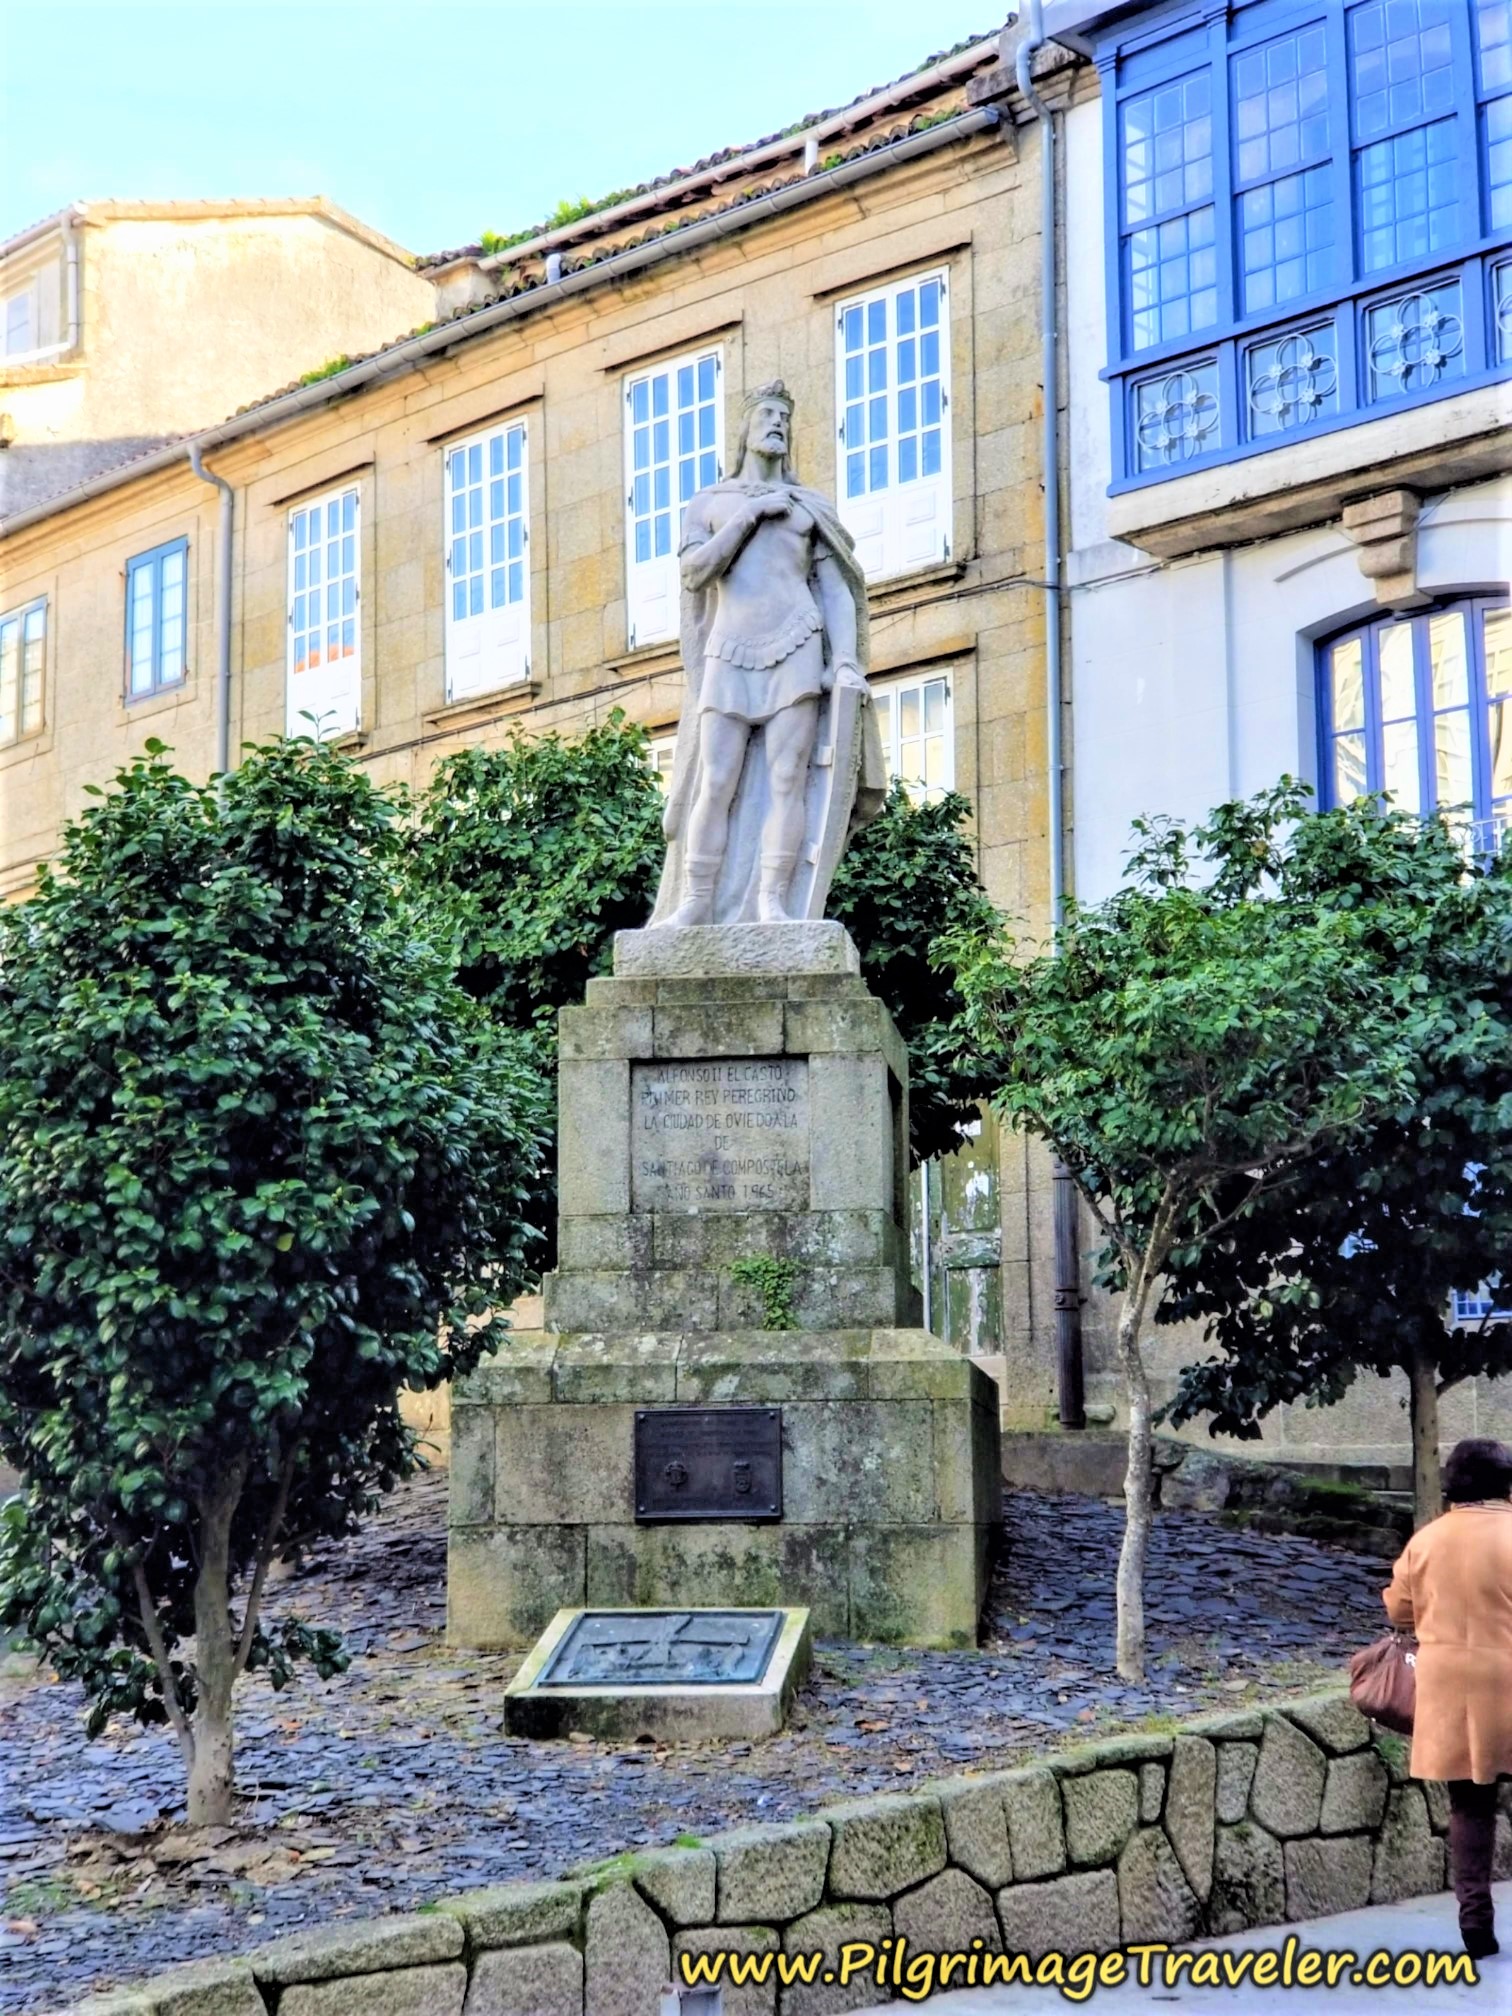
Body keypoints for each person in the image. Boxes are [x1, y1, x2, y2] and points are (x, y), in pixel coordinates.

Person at [653, 380, 883, 927]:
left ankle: (772, 902)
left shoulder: (810, 508)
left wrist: (845, 659)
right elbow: (693, 572)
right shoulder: (711, 503)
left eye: (784, 415)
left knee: (788, 779)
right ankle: (695, 900)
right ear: (745, 428)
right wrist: (750, 516)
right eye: (767, 415)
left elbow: (836, 590)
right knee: (716, 780)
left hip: (797, 644)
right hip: (729, 650)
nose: (777, 423)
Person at [1383, 1436, 1512, 1959]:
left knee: (1470, 1806)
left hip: (1451, 1689)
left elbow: (1399, 1612)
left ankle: (1475, 1927)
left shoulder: (1426, 1540)